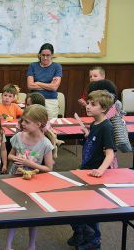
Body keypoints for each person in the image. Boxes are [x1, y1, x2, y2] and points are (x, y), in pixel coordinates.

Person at [68, 90, 115, 250]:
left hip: (95, 174)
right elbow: (93, 143)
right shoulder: (94, 123)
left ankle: (94, 240)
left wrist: (101, 170)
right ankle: (79, 232)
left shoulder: (106, 127)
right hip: (85, 170)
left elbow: (109, 153)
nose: (87, 106)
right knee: (73, 204)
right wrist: (87, 134)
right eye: (88, 103)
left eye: (92, 104)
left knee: (91, 209)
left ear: (103, 108)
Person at [7, 104, 55, 250]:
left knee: (34, 215)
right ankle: (8, 244)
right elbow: (10, 155)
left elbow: (48, 168)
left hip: (35, 183)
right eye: (22, 121)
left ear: (38, 124)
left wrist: (28, 163)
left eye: (26, 122)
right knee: (14, 212)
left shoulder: (46, 144)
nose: (22, 124)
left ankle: (32, 244)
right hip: (15, 178)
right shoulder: (18, 137)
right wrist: (16, 159)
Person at [27, 43, 62, 118]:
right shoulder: (33, 65)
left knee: (50, 125)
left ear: (52, 55)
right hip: (34, 100)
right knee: (33, 123)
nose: (45, 58)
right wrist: (48, 85)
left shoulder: (57, 66)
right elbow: (30, 86)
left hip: (50, 100)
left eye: (48, 55)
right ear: (39, 55)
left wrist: (38, 83)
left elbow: (54, 87)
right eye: (43, 55)